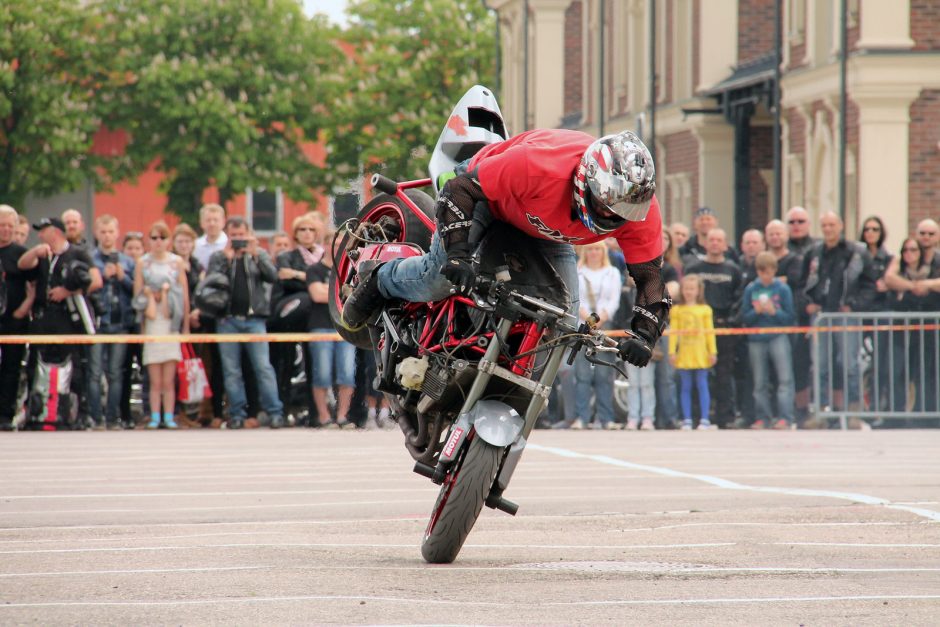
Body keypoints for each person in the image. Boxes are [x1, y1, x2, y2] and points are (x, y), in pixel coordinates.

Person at [341, 129, 670, 372]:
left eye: (626, 209)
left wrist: (643, 336)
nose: (616, 215)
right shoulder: (536, 166)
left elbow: (649, 278)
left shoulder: (637, 210)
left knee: (565, 325)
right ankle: (381, 278)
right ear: (588, 180)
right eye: (610, 204)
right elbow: (459, 191)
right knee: (439, 279)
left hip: (548, 232)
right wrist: (457, 254)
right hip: (487, 199)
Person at [207, 216, 285, 429]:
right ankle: (237, 414)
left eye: (242, 235)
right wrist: (227, 259)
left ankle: (274, 412)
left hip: (254, 320)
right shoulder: (219, 256)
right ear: (228, 236)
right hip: (227, 320)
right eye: (234, 236)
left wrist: (255, 255)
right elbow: (211, 282)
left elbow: (273, 277)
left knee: (263, 368)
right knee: (231, 371)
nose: (238, 239)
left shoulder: (258, 254)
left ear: (249, 234)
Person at [18, 217, 96, 429]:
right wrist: (35, 252)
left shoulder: (77, 253)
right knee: (36, 363)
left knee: (73, 365)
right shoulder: (43, 254)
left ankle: (74, 412)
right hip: (43, 317)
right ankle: (37, 412)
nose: (40, 235)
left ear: (56, 232)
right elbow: (22, 264)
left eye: (44, 231)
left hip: (67, 316)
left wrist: (68, 290)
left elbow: (95, 280)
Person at [798, 212, 865, 423]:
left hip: (845, 316)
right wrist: (807, 303)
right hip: (820, 315)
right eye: (824, 225)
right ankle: (820, 412)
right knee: (820, 364)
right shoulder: (814, 253)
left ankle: (853, 411)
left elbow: (869, 284)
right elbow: (801, 283)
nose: (828, 229)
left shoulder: (855, 252)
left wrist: (854, 304)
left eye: (832, 225)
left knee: (849, 364)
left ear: (841, 226)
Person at [684, 228, 743, 428]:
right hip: (696, 330)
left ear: (725, 245)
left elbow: (739, 299)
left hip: (723, 328)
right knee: (695, 374)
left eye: (719, 240)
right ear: (706, 243)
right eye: (712, 240)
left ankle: (724, 417)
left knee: (724, 374)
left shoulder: (733, 269)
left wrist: (731, 320)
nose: (715, 243)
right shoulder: (694, 268)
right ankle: (694, 416)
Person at [134, 221, 189, 429]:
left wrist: (185, 326)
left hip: (171, 320)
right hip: (151, 318)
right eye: (154, 238)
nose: (158, 242)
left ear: (169, 241)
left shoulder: (176, 262)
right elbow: (137, 295)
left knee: (169, 378)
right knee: (155, 378)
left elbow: (184, 295)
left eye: (162, 237)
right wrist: (140, 326)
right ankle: (155, 415)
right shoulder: (143, 263)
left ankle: (169, 415)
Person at [270, 214, 324, 416]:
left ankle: (314, 413)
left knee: (315, 367)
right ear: (296, 234)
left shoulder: (325, 255)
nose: (307, 233)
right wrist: (314, 281)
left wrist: (299, 275)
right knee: (284, 364)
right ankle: (283, 410)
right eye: (302, 229)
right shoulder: (287, 256)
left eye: (311, 229)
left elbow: (322, 283)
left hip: (316, 319)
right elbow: (286, 282)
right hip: (289, 319)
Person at [88, 215, 136, 429]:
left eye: (110, 232)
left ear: (117, 233)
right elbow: (84, 288)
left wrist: (122, 276)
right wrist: (103, 277)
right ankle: (96, 417)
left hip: (121, 323)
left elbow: (137, 290)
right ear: (97, 233)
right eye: (103, 232)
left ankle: (112, 417)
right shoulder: (90, 259)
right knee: (95, 373)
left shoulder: (128, 261)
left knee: (116, 373)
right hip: (97, 324)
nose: (107, 236)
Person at [570, 242, 623, 430]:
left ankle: (606, 418)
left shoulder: (612, 273)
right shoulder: (577, 271)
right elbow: (575, 299)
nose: (594, 252)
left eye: (598, 249)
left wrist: (600, 320)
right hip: (583, 325)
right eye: (590, 249)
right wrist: (588, 320)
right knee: (582, 374)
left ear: (604, 252)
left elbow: (613, 300)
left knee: (604, 374)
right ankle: (582, 417)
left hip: (605, 325)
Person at [307, 229, 356, 428]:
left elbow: (355, 296)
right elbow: (317, 296)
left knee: (347, 374)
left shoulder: (351, 269)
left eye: (341, 244)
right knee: (322, 374)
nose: (337, 248)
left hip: (344, 328)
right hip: (320, 326)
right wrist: (342, 292)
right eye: (333, 244)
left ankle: (342, 416)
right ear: (325, 245)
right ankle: (324, 416)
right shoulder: (314, 270)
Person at [741, 252, 796, 429]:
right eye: (762, 272)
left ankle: (785, 417)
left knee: (785, 379)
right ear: (758, 271)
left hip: (778, 336)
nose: (766, 276)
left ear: (775, 270)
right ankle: (763, 417)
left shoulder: (782, 289)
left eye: (770, 272)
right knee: (759, 382)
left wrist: (775, 312)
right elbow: (745, 317)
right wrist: (756, 312)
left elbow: (790, 317)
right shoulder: (751, 289)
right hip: (756, 337)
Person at [0, 206, 36, 430]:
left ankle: (5, 414)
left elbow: (33, 287)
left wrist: (22, 310)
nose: (5, 230)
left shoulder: (22, 254)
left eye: (9, 226)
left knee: (11, 368)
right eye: (1, 225)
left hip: (14, 319)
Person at [855, 217, 893, 415]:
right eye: (867, 229)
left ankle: (878, 406)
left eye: (875, 229)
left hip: (880, 312)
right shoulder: (856, 256)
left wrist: (887, 286)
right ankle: (854, 408)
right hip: (859, 313)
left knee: (880, 363)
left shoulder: (889, 258)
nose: (870, 232)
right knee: (853, 362)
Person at [669, 275, 717, 430]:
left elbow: (710, 332)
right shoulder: (676, 310)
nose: (689, 292)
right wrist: (672, 351)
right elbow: (674, 332)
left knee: (702, 385)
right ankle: (687, 419)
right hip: (684, 352)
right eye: (686, 289)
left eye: (692, 289)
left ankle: (704, 419)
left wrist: (712, 351)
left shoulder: (705, 310)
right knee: (685, 386)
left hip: (700, 351)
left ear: (698, 291)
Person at [653, 228, 681, 429]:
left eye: (665, 238)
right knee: (645, 380)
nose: (661, 241)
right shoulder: (640, 263)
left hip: (665, 325)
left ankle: (669, 418)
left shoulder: (672, 268)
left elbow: (671, 294)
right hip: (642, 324)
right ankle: (650, 417)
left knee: (667, 377)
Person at [764, 219, 801, 287]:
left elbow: (793, 281)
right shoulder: (760, 260)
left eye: (778, 234)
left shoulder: (794, 260)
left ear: (787, 235)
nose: (774, 237)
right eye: (771, 234)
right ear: (766, 237)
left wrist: (765, 281)